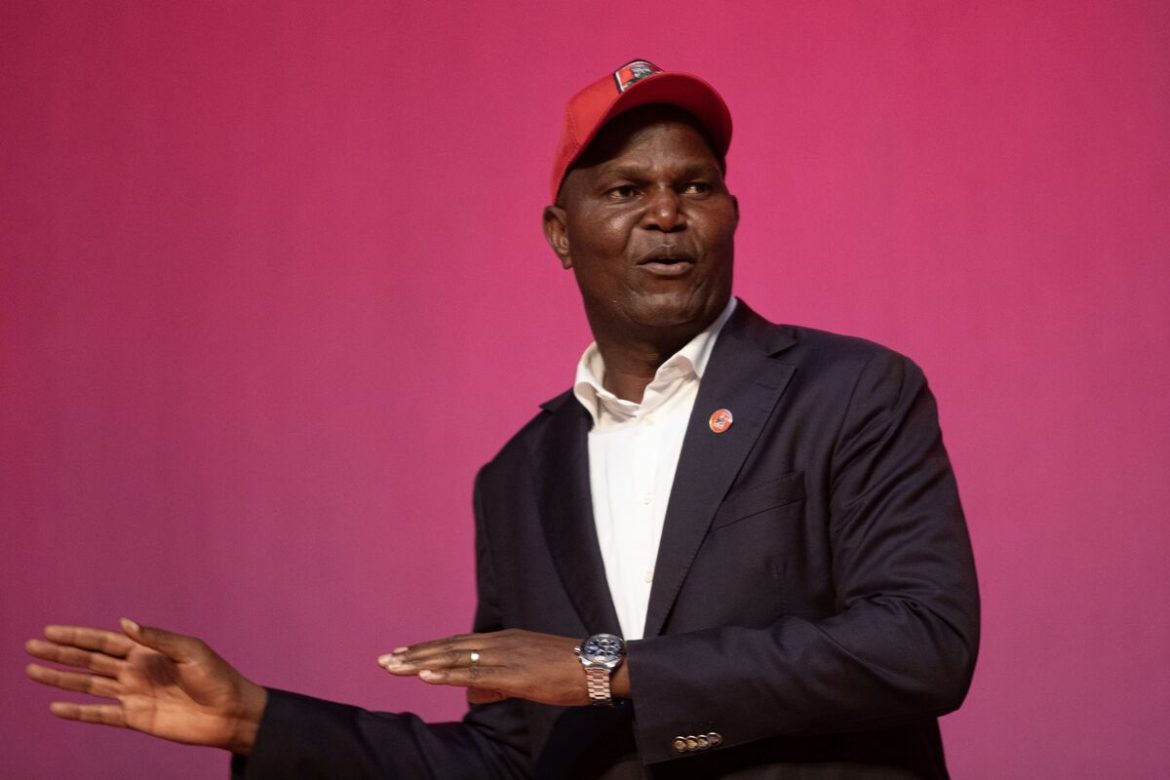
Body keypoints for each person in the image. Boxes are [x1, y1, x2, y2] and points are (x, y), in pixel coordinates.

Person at [25, 60, 979, 779]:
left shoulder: (849, 390)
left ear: (731, 212)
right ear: (561, 235)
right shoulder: (522, 476)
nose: (666, 214)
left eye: (695, 186)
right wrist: (254, 721)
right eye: (625, 190)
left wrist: (605, 669)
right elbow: (511, 757)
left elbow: (922, 644)